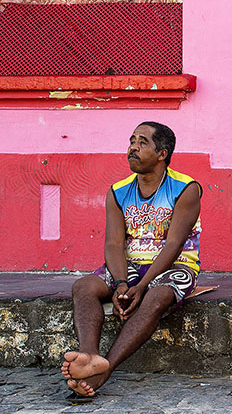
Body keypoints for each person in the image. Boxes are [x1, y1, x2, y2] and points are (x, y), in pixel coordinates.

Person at [61, 122, 202, 398]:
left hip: (175, 266)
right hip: (130, 266)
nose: (133, 148)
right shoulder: (118, 191)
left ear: (162, 154)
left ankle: (105, 369)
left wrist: (142, 286)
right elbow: (114, 244)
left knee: (158, 296)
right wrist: (122, 283)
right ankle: (89, 356)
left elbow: (174, 244)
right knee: (84, 286)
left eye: (142, 142)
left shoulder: (185, 188)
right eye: (131, 141)